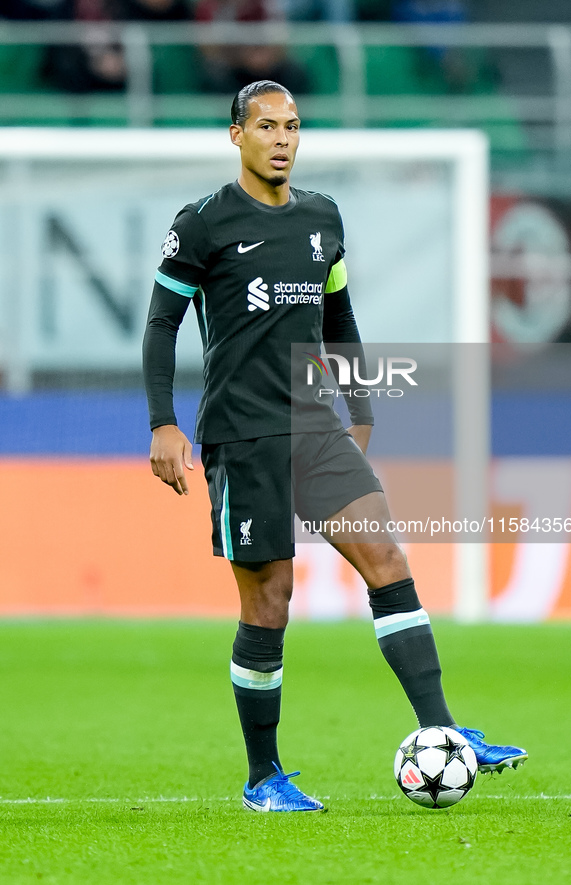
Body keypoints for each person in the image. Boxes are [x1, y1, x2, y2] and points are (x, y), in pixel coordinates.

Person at [142, 79, 528, 813]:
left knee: (386, 557)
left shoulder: (322, 218)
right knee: (270, 602)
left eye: (292, 126)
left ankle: (445, 730)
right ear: (237, 136)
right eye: (266, 126)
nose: (282, 138)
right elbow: (161, 324)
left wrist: (359, 401)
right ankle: (264, 778)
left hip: (315, 426)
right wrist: (163, 422)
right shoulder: (201, 225)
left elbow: (339, 313)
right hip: (243, 434)